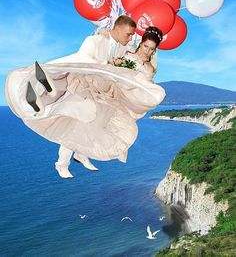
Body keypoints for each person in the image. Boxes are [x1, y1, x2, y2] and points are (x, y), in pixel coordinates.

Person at [5, 17, 165, 179]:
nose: (147, 51)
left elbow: (140, 89)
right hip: (97, 87)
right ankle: (62, 159)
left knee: (87, 124)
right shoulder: (127, 50)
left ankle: (78, 154)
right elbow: (111, 46)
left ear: (155, 51)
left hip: (113, 97)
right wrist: (104, 35)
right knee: (75, 117)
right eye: (146, 46)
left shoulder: (148, 69)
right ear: (141, 43)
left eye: (152, 49)